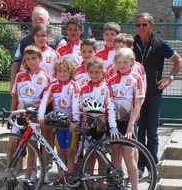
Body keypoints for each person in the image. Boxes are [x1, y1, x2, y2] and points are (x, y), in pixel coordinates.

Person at [133, 12, 182, 177]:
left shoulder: (161, 44)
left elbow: (178, 60)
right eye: (138, 25)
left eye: (144, 24)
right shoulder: (131, 43)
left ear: (152, 26)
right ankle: (139, 167)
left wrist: (169, 78)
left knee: (152, 132)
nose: (141, 27)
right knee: (139, 133)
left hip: (154, 94)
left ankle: (152, 166)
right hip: (135, 96)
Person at [7, 45, 50, 190]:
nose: (31, 61)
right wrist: (11, 114)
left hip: (33, 117)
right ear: (25, 60)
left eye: (34, 59)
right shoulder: (20, 75)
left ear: (40, 59)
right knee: (12, 143)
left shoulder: (45, 78)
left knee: (32, 147)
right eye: (28, 59)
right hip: (19, 115)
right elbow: (15, 97)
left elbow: (45, 100)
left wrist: (36, 111)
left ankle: (27, 178)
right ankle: (10, 175)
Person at [38, 58, 80, 185]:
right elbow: (44, 100)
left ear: (70, 72)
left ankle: (70, 177)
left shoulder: (74, 85)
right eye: (59, 71)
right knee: (60, 150)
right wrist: (41, 116)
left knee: (70, 151)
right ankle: (61, 177)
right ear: (55, 72)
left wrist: (75, 121)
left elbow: (76, 103)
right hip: (58, 123)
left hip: (70, 123)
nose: (62, 74)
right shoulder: (52, 85)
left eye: (65, 71)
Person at [79, 57, 119, 189]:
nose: (94, 75)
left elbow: (111, 108)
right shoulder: (83, 87)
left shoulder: (106, 87)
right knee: (89, 156)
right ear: (87, 72)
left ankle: (101, 185)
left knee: (101, 156)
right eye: (91, 72)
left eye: (97, 72)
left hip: (101, 124)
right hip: (87, 124)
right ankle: (89, 185)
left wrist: (113, 127)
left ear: (102, 72)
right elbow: (79, 107)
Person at [108, 48, 145, 190]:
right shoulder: (110, 79)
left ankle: (134, 186)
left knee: (129, 156)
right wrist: (111, 125)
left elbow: (138, 105)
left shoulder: (136, 78)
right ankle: (119, 185)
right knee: (116, 154)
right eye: (119, 62)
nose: (122, 65)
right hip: (114, 121)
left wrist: (131, 125)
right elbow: (109, 103)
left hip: (128, 120)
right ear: (115, 63)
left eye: (125, 62)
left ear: (131, 62)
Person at [30, 23, 61, 184]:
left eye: (44, 35)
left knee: (47, 136)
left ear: (48, 36)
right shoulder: (29, 53)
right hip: (32, 101)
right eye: (38, 35)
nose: (41, 38)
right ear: (33, 37)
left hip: (48, 100)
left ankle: (45, 169)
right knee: (32, 137)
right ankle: (32, 170)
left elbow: (59, 76)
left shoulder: (54, 54)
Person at [10, 6, 65, 94]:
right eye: (35, 19)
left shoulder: (59, 40)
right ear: (32, 22)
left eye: (41, 19)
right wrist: (13, 85)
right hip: (29, 90)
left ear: (48, 21)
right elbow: (16, 63)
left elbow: (64, 66)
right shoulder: (24, 41)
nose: (38, 21)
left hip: (51, 90)